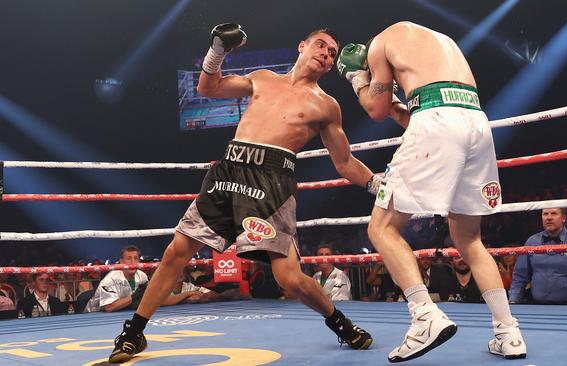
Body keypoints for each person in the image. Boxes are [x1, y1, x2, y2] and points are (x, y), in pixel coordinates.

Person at [108, 23, 375, 363]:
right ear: (302, 46)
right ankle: (134, 332)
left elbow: (345, 162)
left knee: (290, 279)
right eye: (321, 46)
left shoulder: (326, 105)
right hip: (229, 171)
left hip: (272, 184)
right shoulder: (262, 78)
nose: (326, 54)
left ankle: (339, 322)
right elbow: (209, 87)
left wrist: (377, 184)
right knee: (177, 250)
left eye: (332, 53)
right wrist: (217, 50)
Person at [336, 21, 526, 361]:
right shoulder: (440, 41)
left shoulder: (381, 43)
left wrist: (357, 79)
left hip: (437, 121)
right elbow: (418, 114)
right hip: (475, 122)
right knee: (469, 240)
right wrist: (397, 103)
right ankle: (509, 333)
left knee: (381, 228)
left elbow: (376, 110)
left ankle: (425, 316)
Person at [509, 208, 567, 304]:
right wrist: (513, 301)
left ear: (563, 218)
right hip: (537, 306)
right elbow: (519, 276)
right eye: (545, 214)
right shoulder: (532, 241)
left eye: (554, 213)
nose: (549, 218)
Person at [84, 245, 149, 313]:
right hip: (94, 315)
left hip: (124, 312)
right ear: (121, 262)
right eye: (129, 258)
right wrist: (135, 296)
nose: (133, 262)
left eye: (136, 258)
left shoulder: (142, 276)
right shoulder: (110, 279)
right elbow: (109, 307)